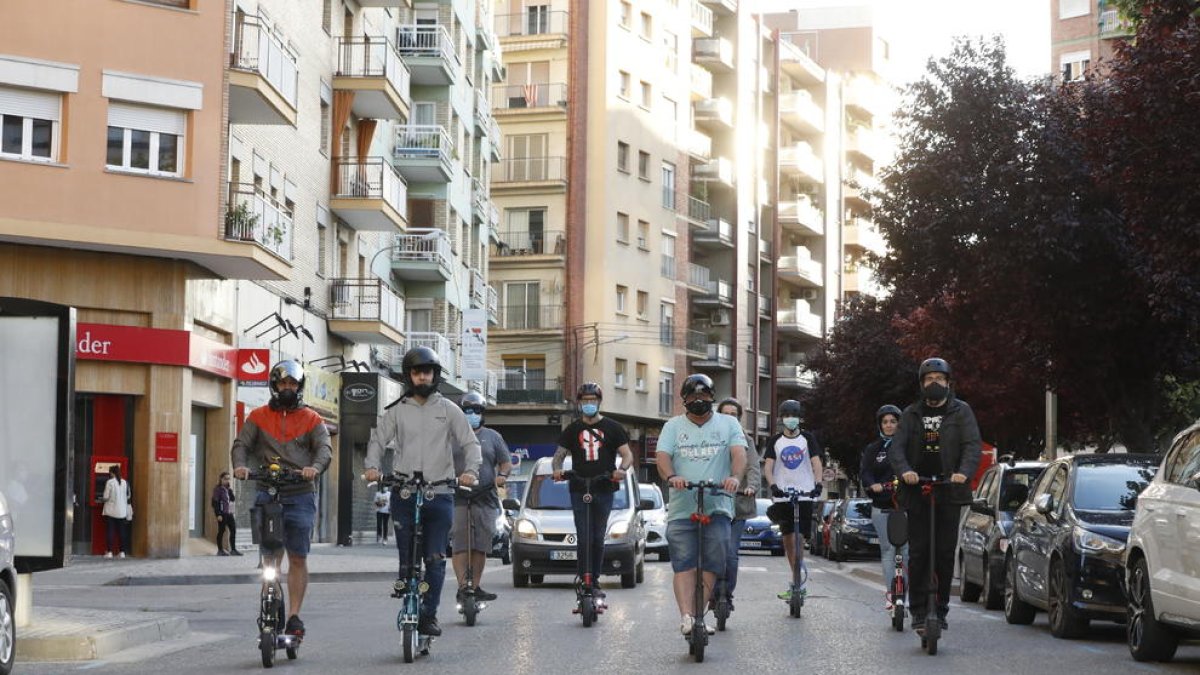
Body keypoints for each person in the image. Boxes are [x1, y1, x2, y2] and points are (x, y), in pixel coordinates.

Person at [365, 347, 480, 638]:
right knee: (407, 557)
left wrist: (470, 472)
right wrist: (372, 467)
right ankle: (406, 590)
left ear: (435, 375)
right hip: (404, 492)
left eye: (427, 372)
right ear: (409, 376)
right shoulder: (396, 410)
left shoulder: (448, 409)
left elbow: (470, 444)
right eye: (417, 372)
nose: (422, 377)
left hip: (439, 492)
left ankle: (429, 614)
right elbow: (378, 441)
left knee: (435, 558)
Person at [232, 360, 332, 640]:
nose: (287, 388)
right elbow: (241, 444)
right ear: (274, 386)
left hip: (300, 494)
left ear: (299, 387)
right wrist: (239, 465)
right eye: (282, 384)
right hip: (268, 492)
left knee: (297, 558)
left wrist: (315, 467)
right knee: (269, 557)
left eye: (292, 384)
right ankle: (269, 607)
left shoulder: (313, 419)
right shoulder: (258, 416)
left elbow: (325, 449)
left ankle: (293, 616)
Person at [888, 357, 981, 633]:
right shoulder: (910, 414)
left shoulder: (961, 412)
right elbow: (897, 449)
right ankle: (917, 610)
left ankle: (939, 610)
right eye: (929, 380)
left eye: (939, 379)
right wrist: (905, 471)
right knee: (918, 553)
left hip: (949, 490)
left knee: (943, 553)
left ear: (948, 383)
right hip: (918, 491)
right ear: (921, 384)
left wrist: (963, 472)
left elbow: (972, 446)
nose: (934, 384)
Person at [656, 374, 746, 637]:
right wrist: (672, 477)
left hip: (718, 505)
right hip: (683, 507)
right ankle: (686, 616)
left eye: (703, 396)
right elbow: (662, 457)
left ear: (712, 398)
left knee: (713, 563)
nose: (698, 401)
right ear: (684, 400)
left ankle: (697, 617)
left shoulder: (728, 424)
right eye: (693, 397)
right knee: (684, 563)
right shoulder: (672, 426)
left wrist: (734, 477)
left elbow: (738, 453)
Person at [551, 382, 634, 611]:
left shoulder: (613, 427)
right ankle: (582, 578)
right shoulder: (572, 429)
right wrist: (557, 470)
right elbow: (558, 456)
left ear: (599, 402)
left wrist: (621, 470)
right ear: (580, 403)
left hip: (604, 487)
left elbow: (627, 456)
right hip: (579, 487)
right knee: (584, 536)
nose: (589, 404)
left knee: (598, 536)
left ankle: (594, 580)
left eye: (592, 400)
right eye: (585, 401)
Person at [452, 391, 512, 604]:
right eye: (468, 411)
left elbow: (506, 462)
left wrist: (502, 476)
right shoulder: (451, 436)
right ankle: (462, 587)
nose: (472, 414)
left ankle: (475, 586)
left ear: (482, 413)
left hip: (485, 495)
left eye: (476, 411)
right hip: (458, 495)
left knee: (481, 544)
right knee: (460, 543)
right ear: (461, 413)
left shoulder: (493, 437)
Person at [763, 399, 824, 601]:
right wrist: (773, 485)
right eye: (787, 415)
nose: (790, 419)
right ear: (782, 418)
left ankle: (798, 582)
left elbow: (816, 463)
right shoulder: (775, 441)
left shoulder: (808, 439)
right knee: (788, 539)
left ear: (799, 418)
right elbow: (768, 466)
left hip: (805, 493)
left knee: (799, 538)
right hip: (783, 496)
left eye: (794, 415)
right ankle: (795, 577)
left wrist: (818, 484)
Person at [714, 398, 760, 611]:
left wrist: (751, 486)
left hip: (738, 504)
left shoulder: (746, 439)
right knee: (713, 550)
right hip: (714, 501)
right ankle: (711, 591)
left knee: (731, 553)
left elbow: (752, 466)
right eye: (726, 414)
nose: (730, 418)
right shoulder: (711, 437)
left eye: (734, 415)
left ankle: (727, 593)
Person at [860, 404, 906, 609]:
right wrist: (873, 485)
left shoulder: (907, 446)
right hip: (881, 506)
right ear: (880, 425)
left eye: (893, 422)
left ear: (899, 424)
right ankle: (890, 593)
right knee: (887, 550)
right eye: (885, 422)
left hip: (904, 505)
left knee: (905, 550)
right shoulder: (874, 448)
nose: (889, 425)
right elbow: (866, 472)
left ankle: (904, 592)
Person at [101, 464, 131, 559]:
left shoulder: (110, 482)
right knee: (122, 532)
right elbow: (127, 496)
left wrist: (101, 499)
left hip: (111, 511)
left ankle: (109, 552)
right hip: (122, 511)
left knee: (110, 531)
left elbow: (105, 497)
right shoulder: (124, 482)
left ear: (111, 473)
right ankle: (122, 552)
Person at [212, 471, 242, 556]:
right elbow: (215, 502)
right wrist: (218, 514)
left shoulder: (228, 489)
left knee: (233, 530)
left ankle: (233, 549)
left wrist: (231, 492)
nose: (227, 480)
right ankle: (220, 550)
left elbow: (232, 500)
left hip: (229, 513)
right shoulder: (217, 489)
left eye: (228, 479)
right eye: (225, 479)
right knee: (221, 531)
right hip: (222, 514)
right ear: (221, 479)